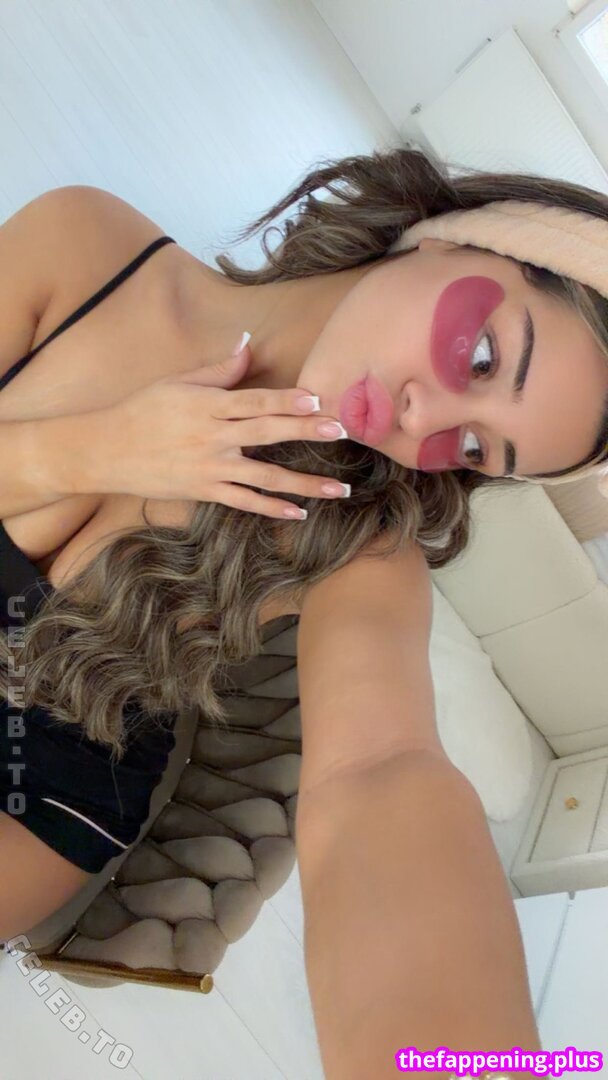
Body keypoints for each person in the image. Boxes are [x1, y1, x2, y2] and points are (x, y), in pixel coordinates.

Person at [1, 146, 607, 1070]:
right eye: (483, 357)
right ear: (457, 238)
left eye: (474, 447)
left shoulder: (361, 547)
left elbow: (382, 771)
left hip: (42, 780)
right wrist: (104, 448)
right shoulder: (84, 247)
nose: (424, 420)